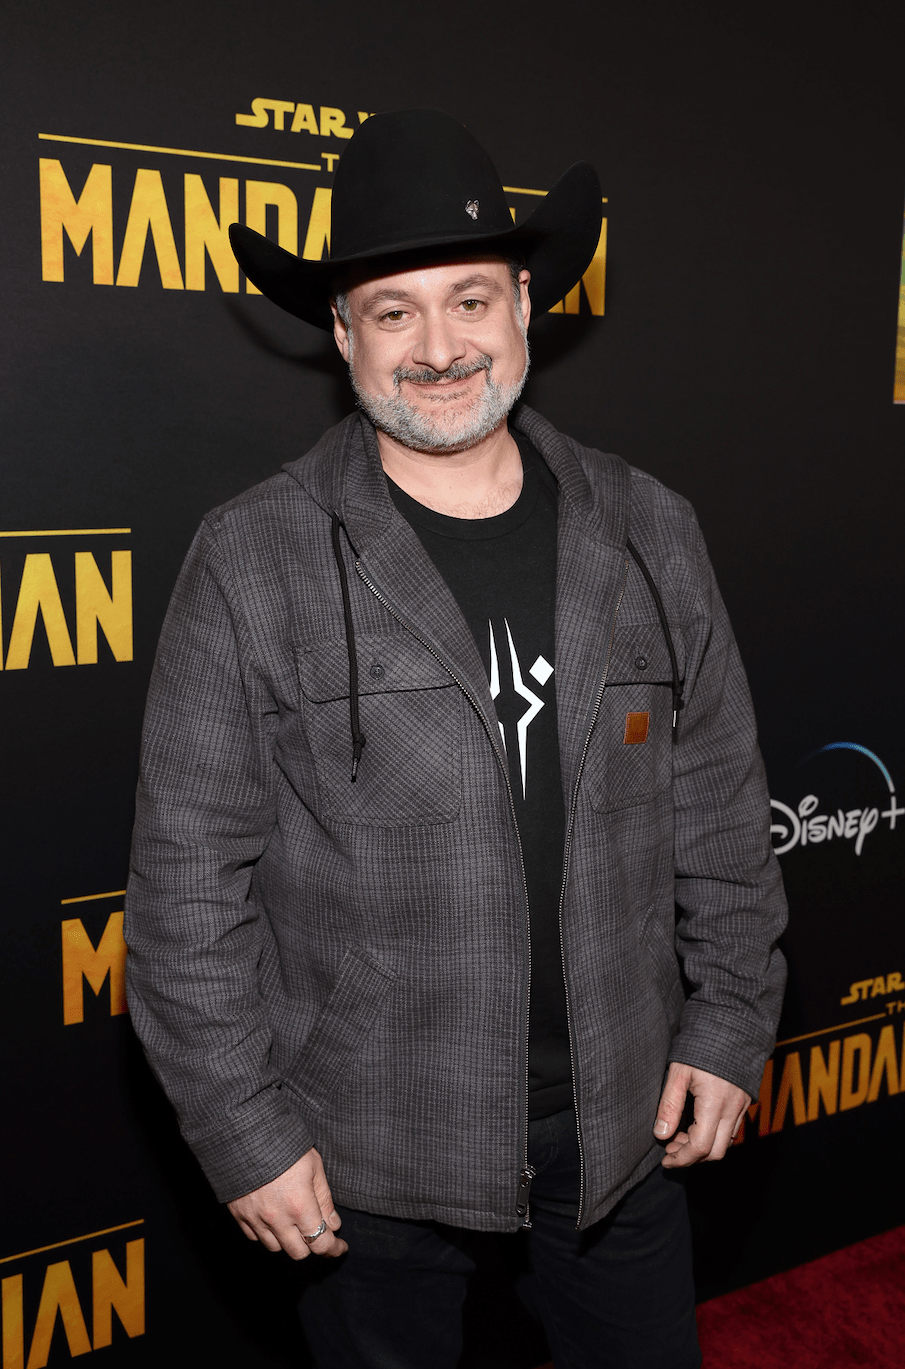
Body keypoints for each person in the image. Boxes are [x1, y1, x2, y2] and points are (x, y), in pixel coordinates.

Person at [124, 109, 787, 1369]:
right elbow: (182, 887)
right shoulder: (253, 557)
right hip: (364, 1144)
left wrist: (728, 1019)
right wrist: (243, 1130)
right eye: (394, 311)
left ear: (524, 305)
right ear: (342, 334)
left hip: (623, 1121)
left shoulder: (648, 528)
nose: (438, 348)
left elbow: (715, 799)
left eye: (469, 300)